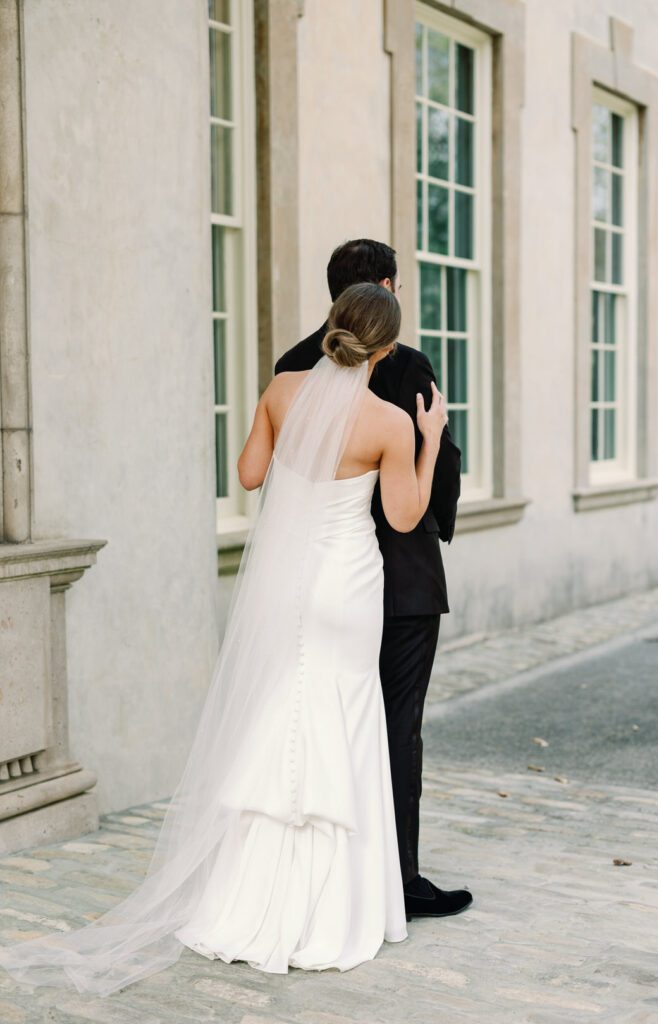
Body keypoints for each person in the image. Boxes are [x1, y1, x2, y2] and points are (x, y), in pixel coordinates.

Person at [0, 283, 447, 996]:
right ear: (386, 348)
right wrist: (427, 445)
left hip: (285, 581)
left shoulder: (280, 389)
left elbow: (246, 475)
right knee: (345, 716)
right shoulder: (389, 421)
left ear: (333, 328)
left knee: (279, 710)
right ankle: (335, 907)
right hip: (346, 588)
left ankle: (249, 897)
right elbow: (402, 517)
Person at [275, 239, 472, 920]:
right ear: (385, 289)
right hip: (400, 575)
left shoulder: (291, 366)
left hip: (311, 572)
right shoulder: (408, 363)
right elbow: (434, 472)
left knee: (311, 714)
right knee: (395, 726)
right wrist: (439, 442)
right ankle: (400, 877)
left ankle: (308, 866)